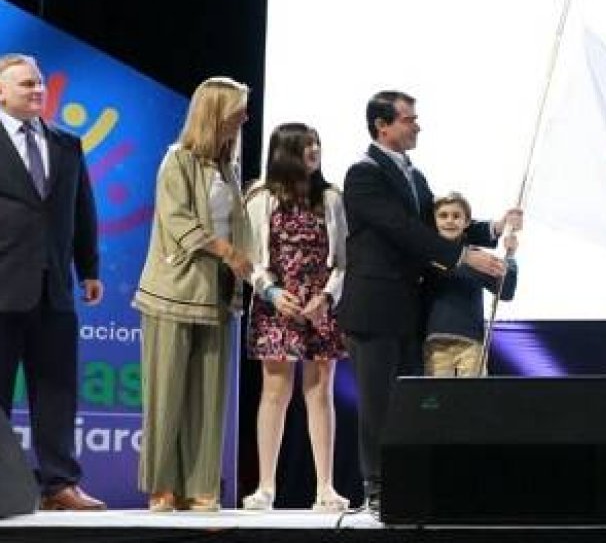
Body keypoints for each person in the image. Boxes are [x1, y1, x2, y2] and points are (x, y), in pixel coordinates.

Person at [339, 90, 520, 512]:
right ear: (383, 126)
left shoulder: (414, 177)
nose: (416, 125)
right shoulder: (363, 175)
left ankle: (406, 480)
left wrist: (492, 228)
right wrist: (461, 256)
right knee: (378, 401)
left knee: (409, 403)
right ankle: (377, 486)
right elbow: (401, 228)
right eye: (408, 119)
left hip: (408, 311)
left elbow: (436, 226)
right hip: (373, 308)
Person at [133, 76, 253, 512]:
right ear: (215, 111)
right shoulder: (177, 161)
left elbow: (239, 227)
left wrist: (248, 267)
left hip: (218, 293)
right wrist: (226, 252)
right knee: (166, 392)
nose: (244, 118)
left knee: (209, 393)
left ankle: (201, 484)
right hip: (174, 290)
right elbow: (178, 220)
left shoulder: (228, 168)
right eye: (238, 109)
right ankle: (161, 485)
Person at [0, 54, 105, 511]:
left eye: (40, 82)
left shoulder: (67, 145)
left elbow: (82, 212)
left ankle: (59, 484)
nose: (38, 90)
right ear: (2, 93)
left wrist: (90, 270)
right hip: (2, 286)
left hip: (54, 289)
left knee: (57, 391)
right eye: (26, 84)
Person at [242, 124, 349, 512]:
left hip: (320, 304)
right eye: (306, 146)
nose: (314, 150)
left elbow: (342, 260)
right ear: (285, 151)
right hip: (278, 303)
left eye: (317, 143)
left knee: (320, 392)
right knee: (275, 391)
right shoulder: (261, 196)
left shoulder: (330, 197)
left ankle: (325, 487)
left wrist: (326, 296)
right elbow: (251, 256)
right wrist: (270, 291)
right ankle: (265, 486)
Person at [424, 192, 518, 377]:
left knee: (472, 399)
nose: (449, 221)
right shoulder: (426, 253)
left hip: (470, 343)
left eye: (456, 216)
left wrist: (511, 255)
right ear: (434, 220)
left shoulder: (477, 257)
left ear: (467, 222)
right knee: (439, 400)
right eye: (443, 215)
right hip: (435, 343)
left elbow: (505, 290)